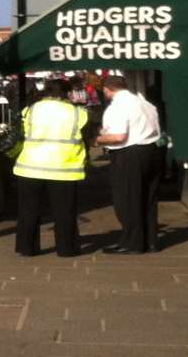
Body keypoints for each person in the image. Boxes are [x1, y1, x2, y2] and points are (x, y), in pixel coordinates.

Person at [14, 78, 87, 257]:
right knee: (64, 212)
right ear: (67, 92)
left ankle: (27, 248)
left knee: (28, 210)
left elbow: (22, 132)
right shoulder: (79, 113)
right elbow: (87, 136)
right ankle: (66, 249)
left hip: (30, 166)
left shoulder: (30, 110)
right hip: (64, 169)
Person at [95, 75, 165, 253]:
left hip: (128, 154)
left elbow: (118, 136)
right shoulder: (146, 104)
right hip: (152, 151)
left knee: (128, 199)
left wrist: (97, 140)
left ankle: (131, 243)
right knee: (148, 198)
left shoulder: (117, 107)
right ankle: (150, 241)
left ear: (107, 89)